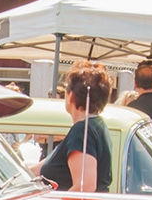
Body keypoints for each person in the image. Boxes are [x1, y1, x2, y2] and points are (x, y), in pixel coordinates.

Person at [39, 60, 112, 192]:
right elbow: (42, 168)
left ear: (70, 95)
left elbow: (85, 187)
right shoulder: (96, 125)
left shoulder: (82, 130)